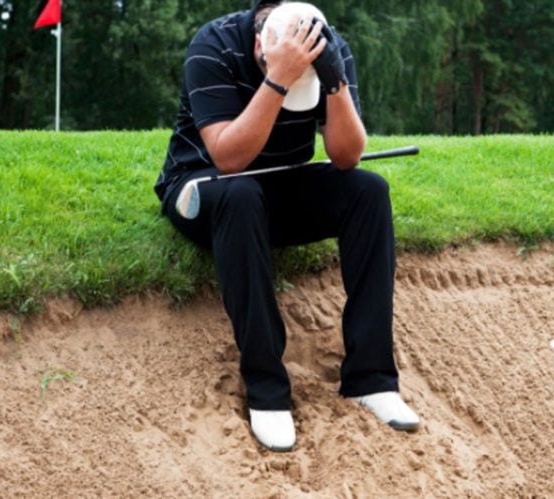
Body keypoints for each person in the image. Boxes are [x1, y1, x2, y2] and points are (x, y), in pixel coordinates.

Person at [153, 0, 419, 452]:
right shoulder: (213, 45)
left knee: (369, 191)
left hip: (280, 187)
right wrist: (278, 80)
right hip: (204, 190)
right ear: (260, 44)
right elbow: (229, 158)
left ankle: (372, 379)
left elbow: (346, 156)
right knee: (241, 193)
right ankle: (267, 389)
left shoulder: (327, 44)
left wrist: (332, 80)